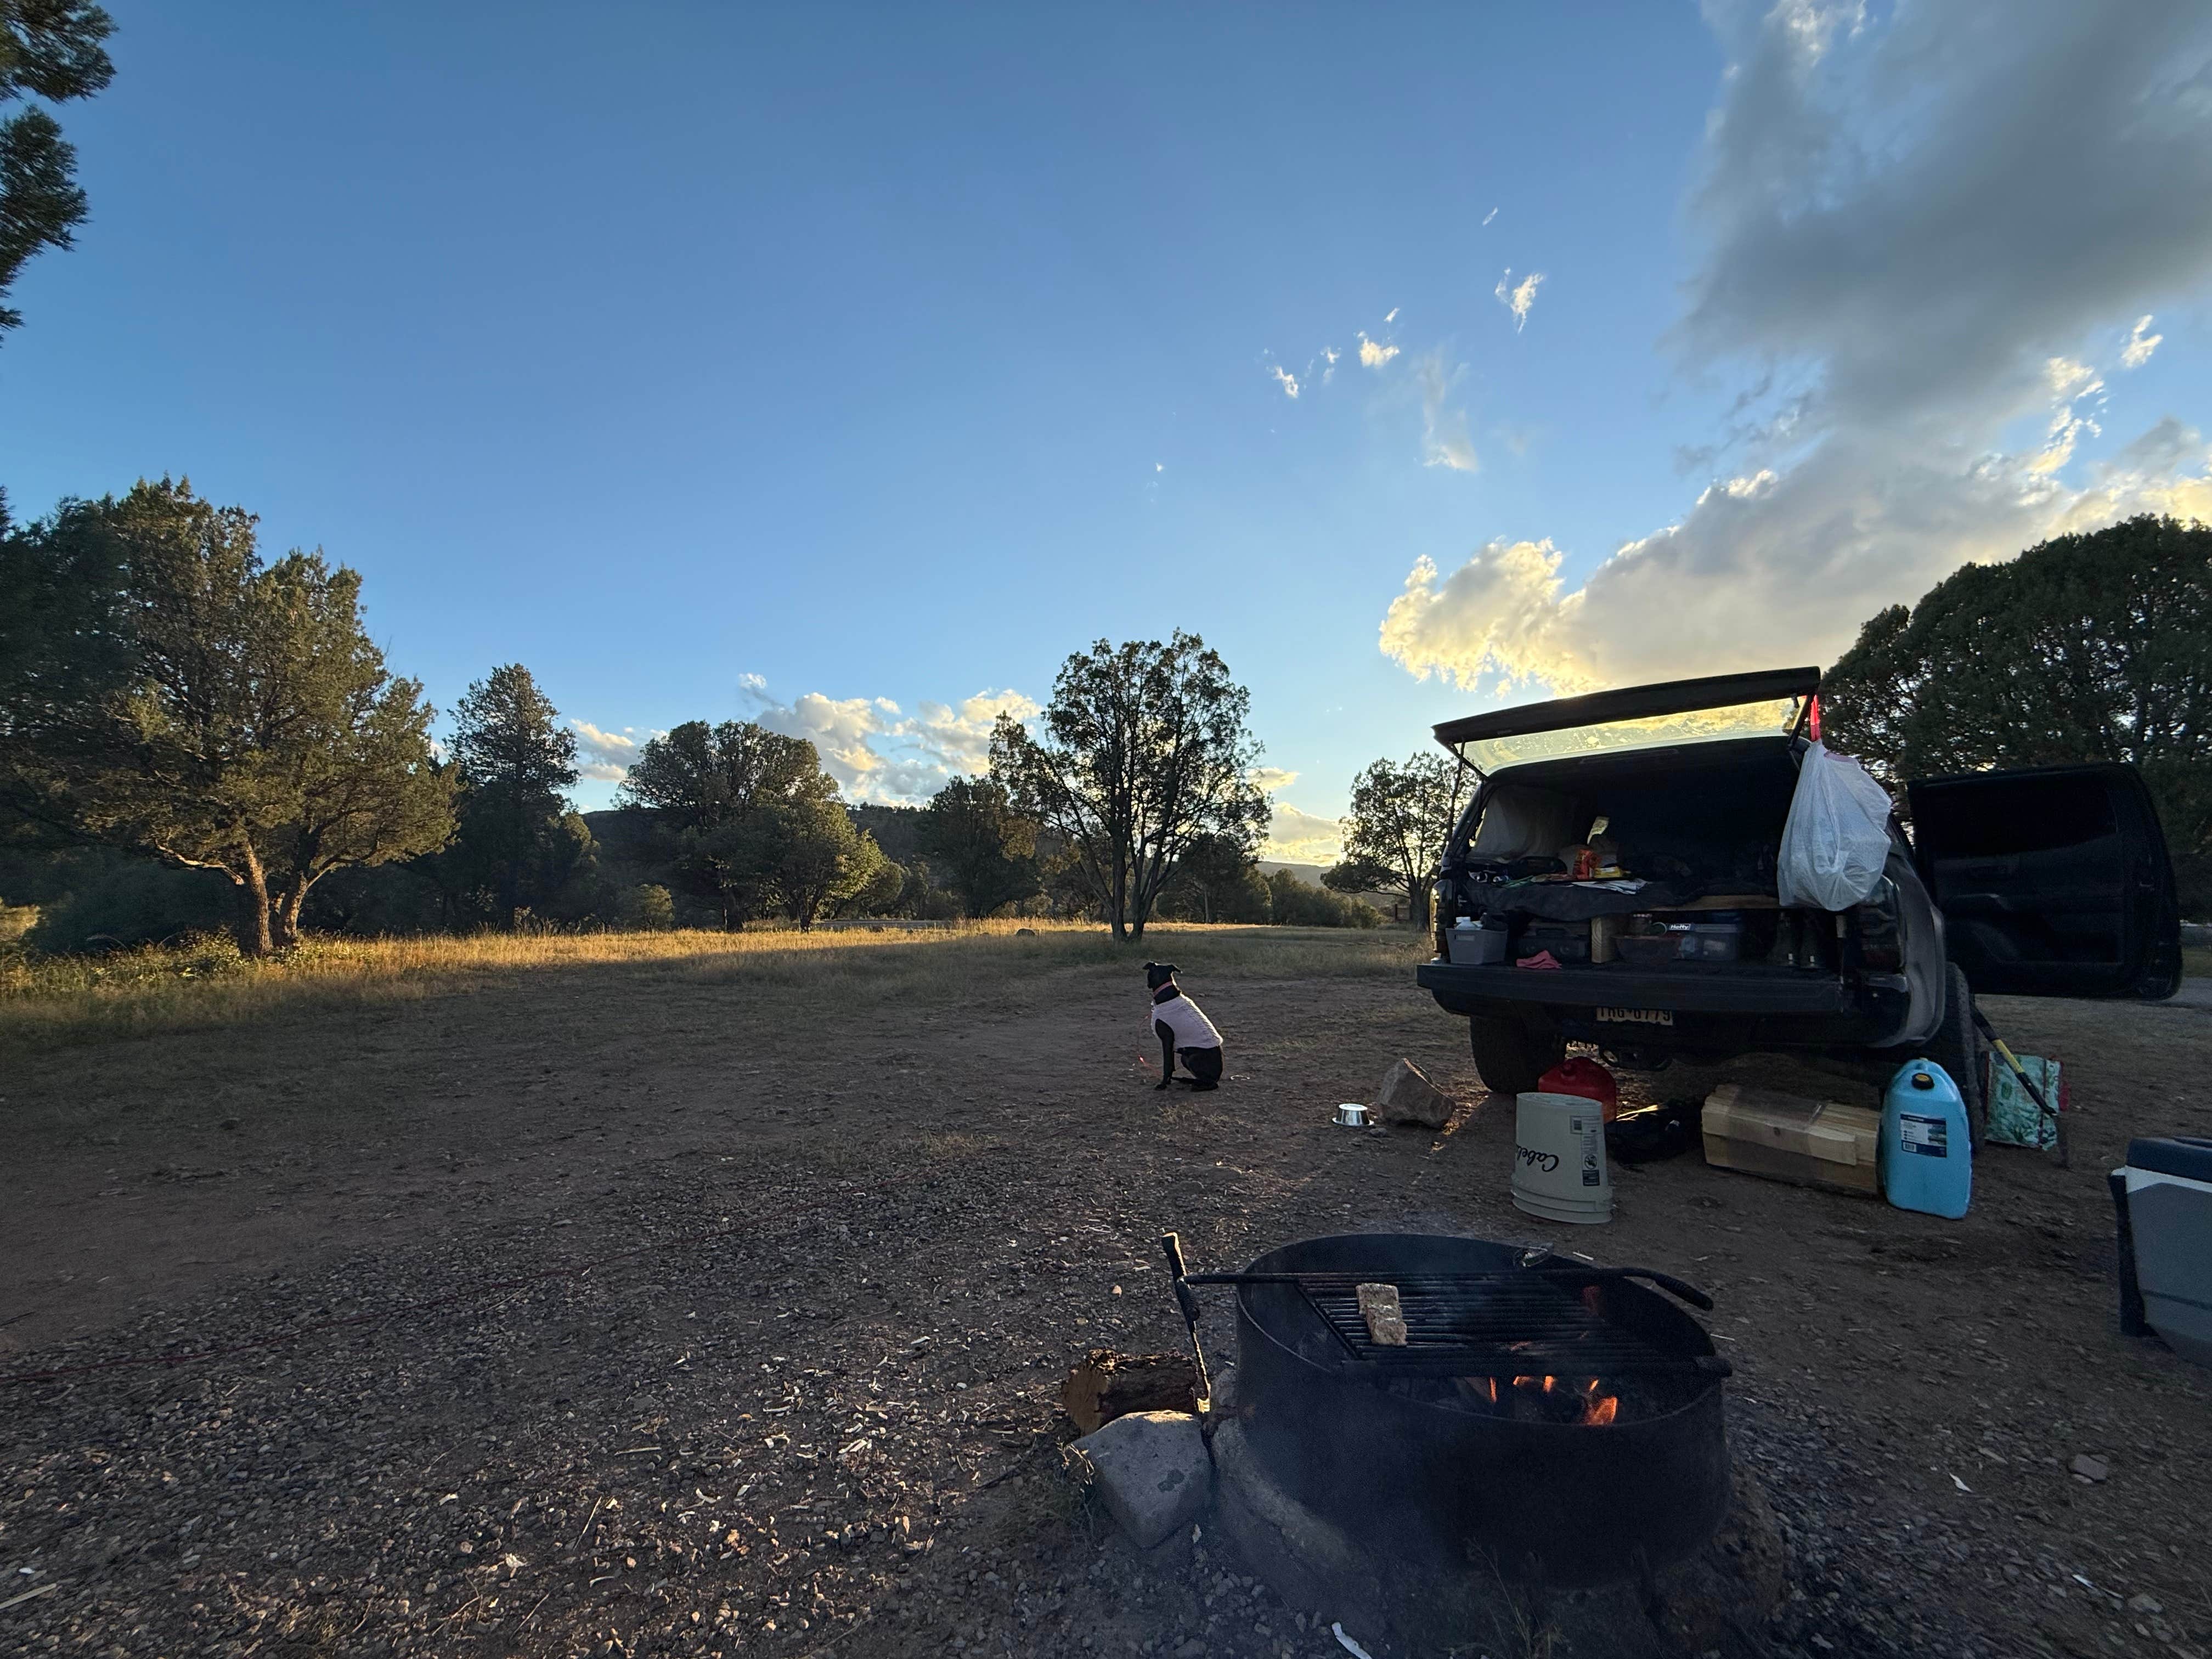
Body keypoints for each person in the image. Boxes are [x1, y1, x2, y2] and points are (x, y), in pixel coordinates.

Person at [1144, 962, 1223, 1091]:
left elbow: (1167, 1046)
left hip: (1206, 1061)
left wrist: (1165, 1081)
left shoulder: (1170, 1009)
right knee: (1187, 1059)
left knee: (1189, 1059)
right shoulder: (1175, 1003)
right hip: (1208, 1060)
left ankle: (1208, 1082)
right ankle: (1203, 1079)